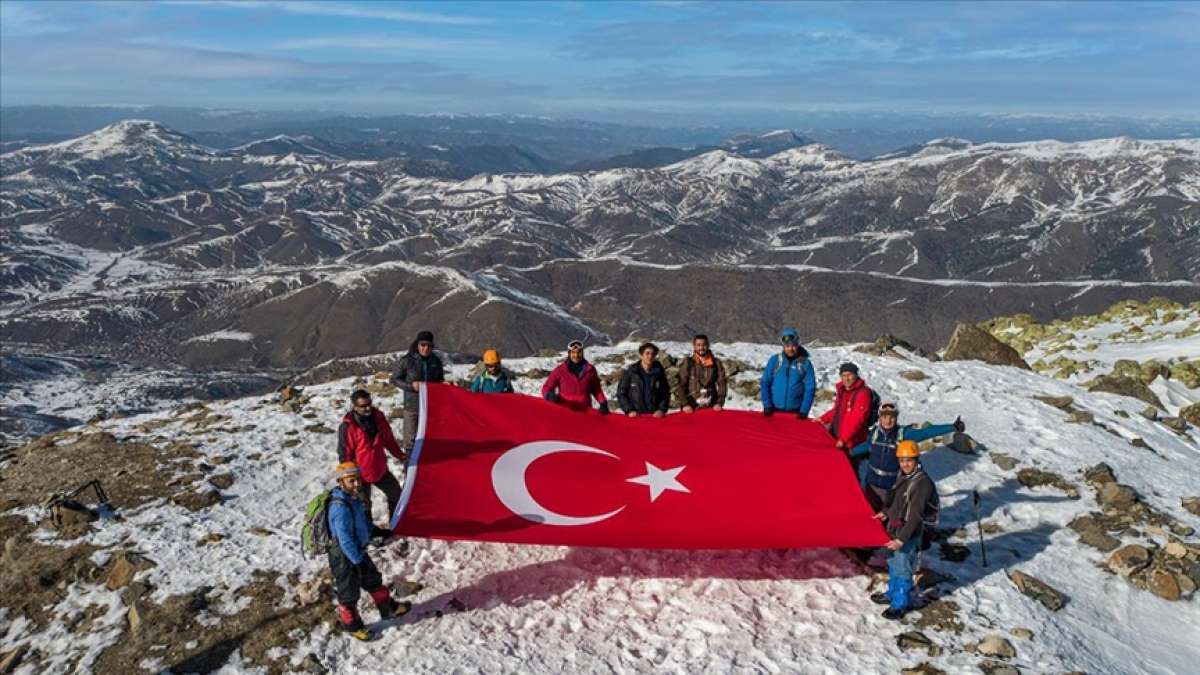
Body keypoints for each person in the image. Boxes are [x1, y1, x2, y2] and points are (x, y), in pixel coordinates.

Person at [327, 462, 408, 640]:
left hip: (357, 551)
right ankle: (353, 626)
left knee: (373, 580)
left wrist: (375, 531)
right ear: (341, 481)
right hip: (344, 556)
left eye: (357, 480)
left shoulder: (353, 499)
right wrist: (357, 560)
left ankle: (389, 609)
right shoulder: (340, 507)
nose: (356, 484)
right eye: (351, 481)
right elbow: (345, 539)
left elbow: (361, 524)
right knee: (348, 592)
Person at [850, 402, 964, 511]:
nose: (888, 421)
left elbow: (926, 432)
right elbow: (867, 445)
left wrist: (951, 427)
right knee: (871, 515)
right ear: (879, 418)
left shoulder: (903, 434)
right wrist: (850, 452)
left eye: (892, 417)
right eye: (884, 417)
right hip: (871, 485)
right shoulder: (875, 433)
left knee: (888, 517)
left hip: (890, 487)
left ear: (897, 418)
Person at [870, 441, 936, 620]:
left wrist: (901, 540)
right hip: (896, 528)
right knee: (893, 563)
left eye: (909, 460)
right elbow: (898, 503)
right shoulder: (904, 476)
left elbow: (915, 516)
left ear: (916, 459)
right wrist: (885, 513)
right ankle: (892, 593)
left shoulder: (922, 484)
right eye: (902, 460)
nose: (905, 464)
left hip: (907, 534)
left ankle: (899, 604)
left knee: (903, 568)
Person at [337, 390, 405, 528]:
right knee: (364, 506)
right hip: (359, 474)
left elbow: (389, 440)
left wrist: (400, 455)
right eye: (363, 406)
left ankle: (395, 525)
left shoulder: (378, 418)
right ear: (354, 407)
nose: (368, 408)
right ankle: (368, 533)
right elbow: (345, 454)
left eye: (369, 404)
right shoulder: (348, 426)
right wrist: (348, 479)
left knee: (396, 495)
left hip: (379, 468)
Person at [393, 330, 445, 453]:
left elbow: (439, 381)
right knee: (411, 442)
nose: (426, 348)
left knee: (429, 440)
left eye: (429, 346)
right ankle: (410, 469)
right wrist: (411, 386)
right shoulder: (406, 360)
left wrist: (444, 385)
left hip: (430, 407)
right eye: (423, 345)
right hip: (412, 407)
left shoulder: (436, 362)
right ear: (417, 344)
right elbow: (394, 379)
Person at [760, 328, 816, 419]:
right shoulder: (775, 361)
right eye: (787, 346)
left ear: (797, 344)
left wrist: (804, 410)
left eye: (793, 345)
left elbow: (810, 388)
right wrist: (767, 404)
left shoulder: (805, 363)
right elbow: (765, 382)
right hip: (774, 411)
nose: (791, 349)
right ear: (783, 346)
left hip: (796, 413)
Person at [541, 340, 610, 414]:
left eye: (579, 352)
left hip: (585, 412)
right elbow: (547, 387)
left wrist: (603, 402)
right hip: (565, 412)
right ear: (569, 353)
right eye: (573, 352)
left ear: (582, 353)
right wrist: (549, 395)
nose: (576, 355)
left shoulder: (590, 370)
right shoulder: (560, 370)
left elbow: (596, 389)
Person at [819, 362, 874, 452]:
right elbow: (837, 411)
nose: (846, 379)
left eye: (849, 375)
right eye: (843, 375)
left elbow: (858, 419)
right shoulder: (843, 391)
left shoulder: (863, 393)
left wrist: (844, 439)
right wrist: (822, 419)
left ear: (856, 375)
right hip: (838, 436)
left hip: (852, 442)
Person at [674, 334, 728, 413]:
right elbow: (681, 385)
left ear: (708, 345)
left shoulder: (716, 363)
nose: (701, 348)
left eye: (704, 345)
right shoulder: (688, 363)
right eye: (698, 345)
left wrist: (719, 403)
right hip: (691, 408)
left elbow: (722, 383)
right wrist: (685, 404)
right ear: (694, 346)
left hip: (711, 407)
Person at [617, 342, 671, 417]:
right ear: (641, 355)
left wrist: (661, 409)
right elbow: (621, 392)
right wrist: (629, 410)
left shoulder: (659, 373)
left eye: (653, 354)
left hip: (654, 417)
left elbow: (665, 393)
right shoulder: (632, 372)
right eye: (647, 353)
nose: (650, 356)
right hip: (636, 417)